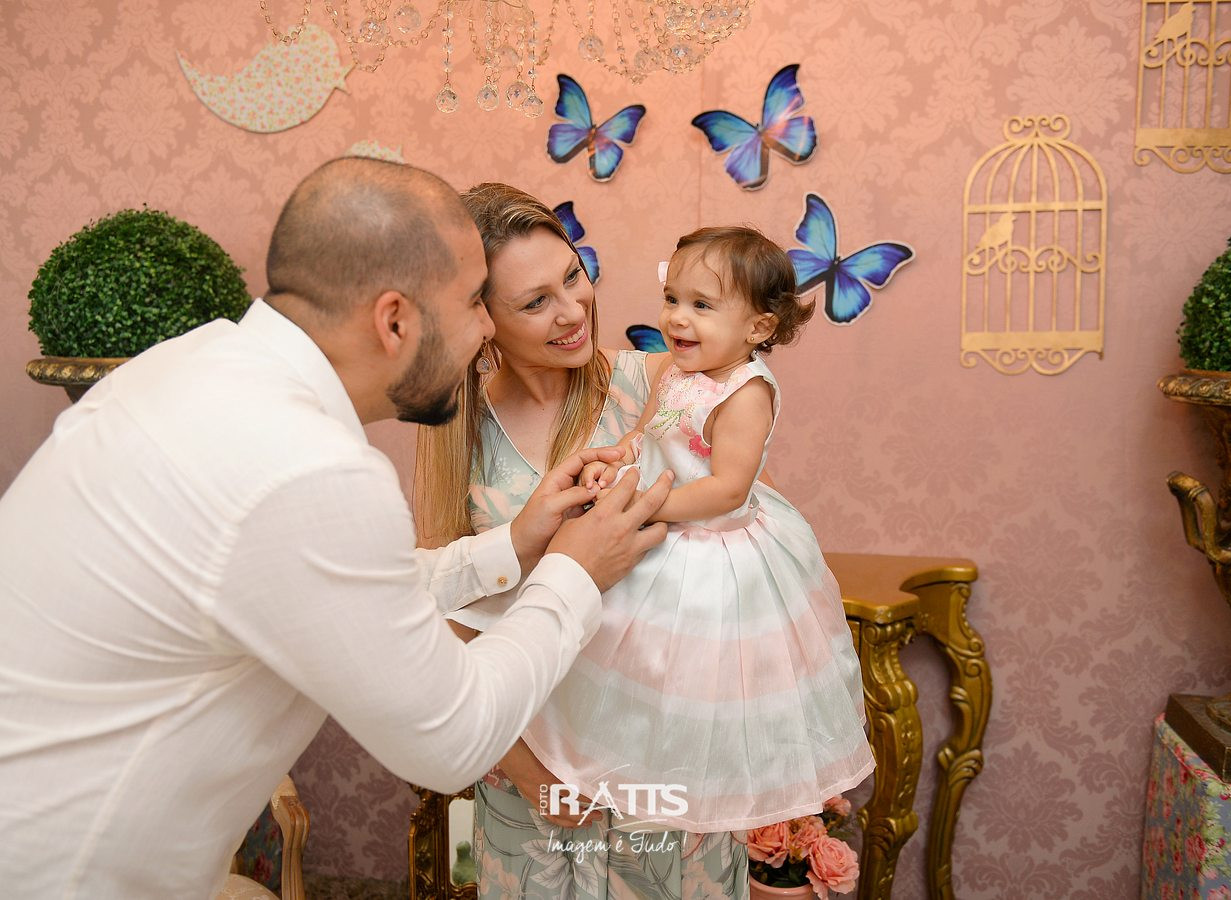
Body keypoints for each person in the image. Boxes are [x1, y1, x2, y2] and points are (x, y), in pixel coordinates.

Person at [0, 158, 672, 899]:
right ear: (395, 321)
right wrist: (574, 571)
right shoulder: (307, 466)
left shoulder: (194, 365)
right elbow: (452, 740)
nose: (487, 327)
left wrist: (514, 544)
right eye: (472, 304)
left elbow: (354, 588)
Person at [415, 184, 748, 898]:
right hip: (529, 783)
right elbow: (444, 619)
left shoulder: (666, 389)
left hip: (667, 770)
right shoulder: (456, 436)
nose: (573, 310)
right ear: (482, 319)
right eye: (535, 301)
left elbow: (741, 552)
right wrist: (532, 778)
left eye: (573, 276)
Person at [527, 224, 876, 833]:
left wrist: (650, 506)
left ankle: (689, 787)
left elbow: (727, 489)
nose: (677, 318)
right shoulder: (676, 372)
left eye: (702, 306)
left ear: (758, 327)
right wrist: (620, 457)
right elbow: (650, 432)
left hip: (713, 552)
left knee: (697, 679)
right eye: (672, 299)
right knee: (629, 662)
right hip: (660, 530)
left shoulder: (746, 393)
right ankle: (618, 769)